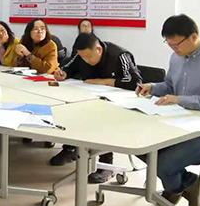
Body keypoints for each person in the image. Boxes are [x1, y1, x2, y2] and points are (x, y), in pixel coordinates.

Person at [136, 14, 200, 206]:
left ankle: (177, 186)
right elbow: (171, 86)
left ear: (194, 37)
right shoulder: (177, 57)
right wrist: (152, 87)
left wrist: (180, 100)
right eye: (169, 44)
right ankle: (185, 184)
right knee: (139, 144)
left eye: (176, 44)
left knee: (163, 164)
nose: (174, 49)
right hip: (178, 123)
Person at [51, 32, 142, 183]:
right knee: (69, 109)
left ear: (99, 50)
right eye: (82, 57)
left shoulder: (120, 55)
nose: (85, 60)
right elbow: (69, 67)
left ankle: (106, 164)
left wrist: (105, 81)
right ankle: (71, 149)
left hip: (115, 104)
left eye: (88, 57)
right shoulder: (82, 54)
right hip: (87, 98)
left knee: (103, 118)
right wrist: (63, 73)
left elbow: (135, 81)